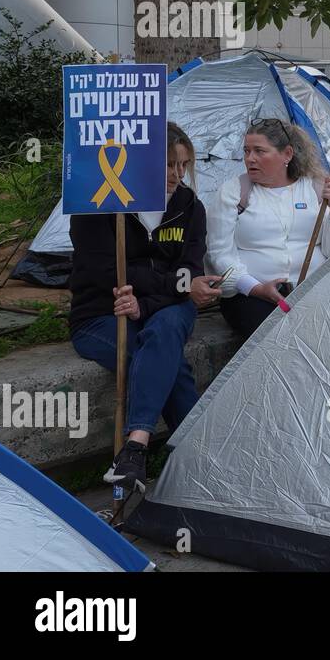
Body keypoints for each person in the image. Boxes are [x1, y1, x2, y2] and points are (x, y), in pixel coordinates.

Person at [69, 122, 224, 492]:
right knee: (160, 353)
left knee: (166, 328)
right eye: (169, 164)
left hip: (166, 309)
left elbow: (190, 272)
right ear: (140, 163)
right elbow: (105, 270)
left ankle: (134, 449)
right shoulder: (98, 206)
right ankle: (197, 461)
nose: (177, 174)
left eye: (184, 164)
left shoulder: (190, 207)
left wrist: (147, 300)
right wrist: (166, 286)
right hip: (102, 315)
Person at [206, 119, 330, 341]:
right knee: (277, 338)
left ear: (287, 154)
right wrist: (256, 288)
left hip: (313, 290)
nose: (250, 159)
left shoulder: (316, 188)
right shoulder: (233, 192)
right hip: (251, 298)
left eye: (259, 151)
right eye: (246, 151)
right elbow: (219, 253)